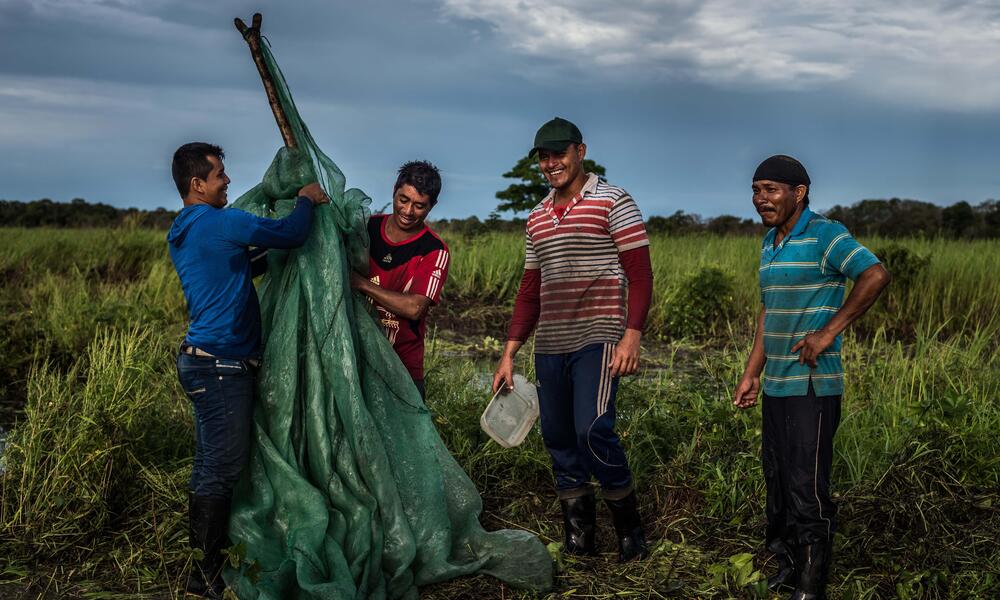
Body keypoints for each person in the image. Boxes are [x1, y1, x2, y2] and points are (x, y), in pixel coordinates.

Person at [167, 142, 328, 598]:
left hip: (205, 362)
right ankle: (205, 576)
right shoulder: (222, 222)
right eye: (220, 174)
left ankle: (204, 568)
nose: (228, 181)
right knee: (221, 467)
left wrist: (272, 262)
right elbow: (292, 233)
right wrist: (306, 199)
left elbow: (242, 266)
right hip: (220, 366)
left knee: (211, 464)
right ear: (197, 184)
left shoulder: (186, 228)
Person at [491, 117, 654, 562]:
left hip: (599, 336)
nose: (550, 164)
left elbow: (639, 274)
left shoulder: (613, 201)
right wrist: (510, 354)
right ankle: (580, 539)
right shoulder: (537, 218)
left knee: (592, 429)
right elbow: (529, 290)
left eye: (558, 154)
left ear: (580, 152)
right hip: (551, 343)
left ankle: (629, 532)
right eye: (543, 157)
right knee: (559, 437)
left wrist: (632, 336)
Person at [733, 155, 890, 600]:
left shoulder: (826, 234)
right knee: (778, 480)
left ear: (799, 192)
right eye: (756, 189)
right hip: (777, 383)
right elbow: (769, 311)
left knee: (806, 484)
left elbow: (875, 274)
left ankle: (810, 583)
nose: (760, 199)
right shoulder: (770, 241)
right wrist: (751, 373)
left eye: (771, 189)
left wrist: (827, 333)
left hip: (812, 386)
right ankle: (784, 567)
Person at [350, 161, 449, 399]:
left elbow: (414, 307)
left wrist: (362, 284)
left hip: (403, 367)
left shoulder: (434, 250)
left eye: (419, 206)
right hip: (356, 358)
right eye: (403, 200)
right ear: (394, 190)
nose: (407, 211)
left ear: (431, 206)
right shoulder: (365, 228)